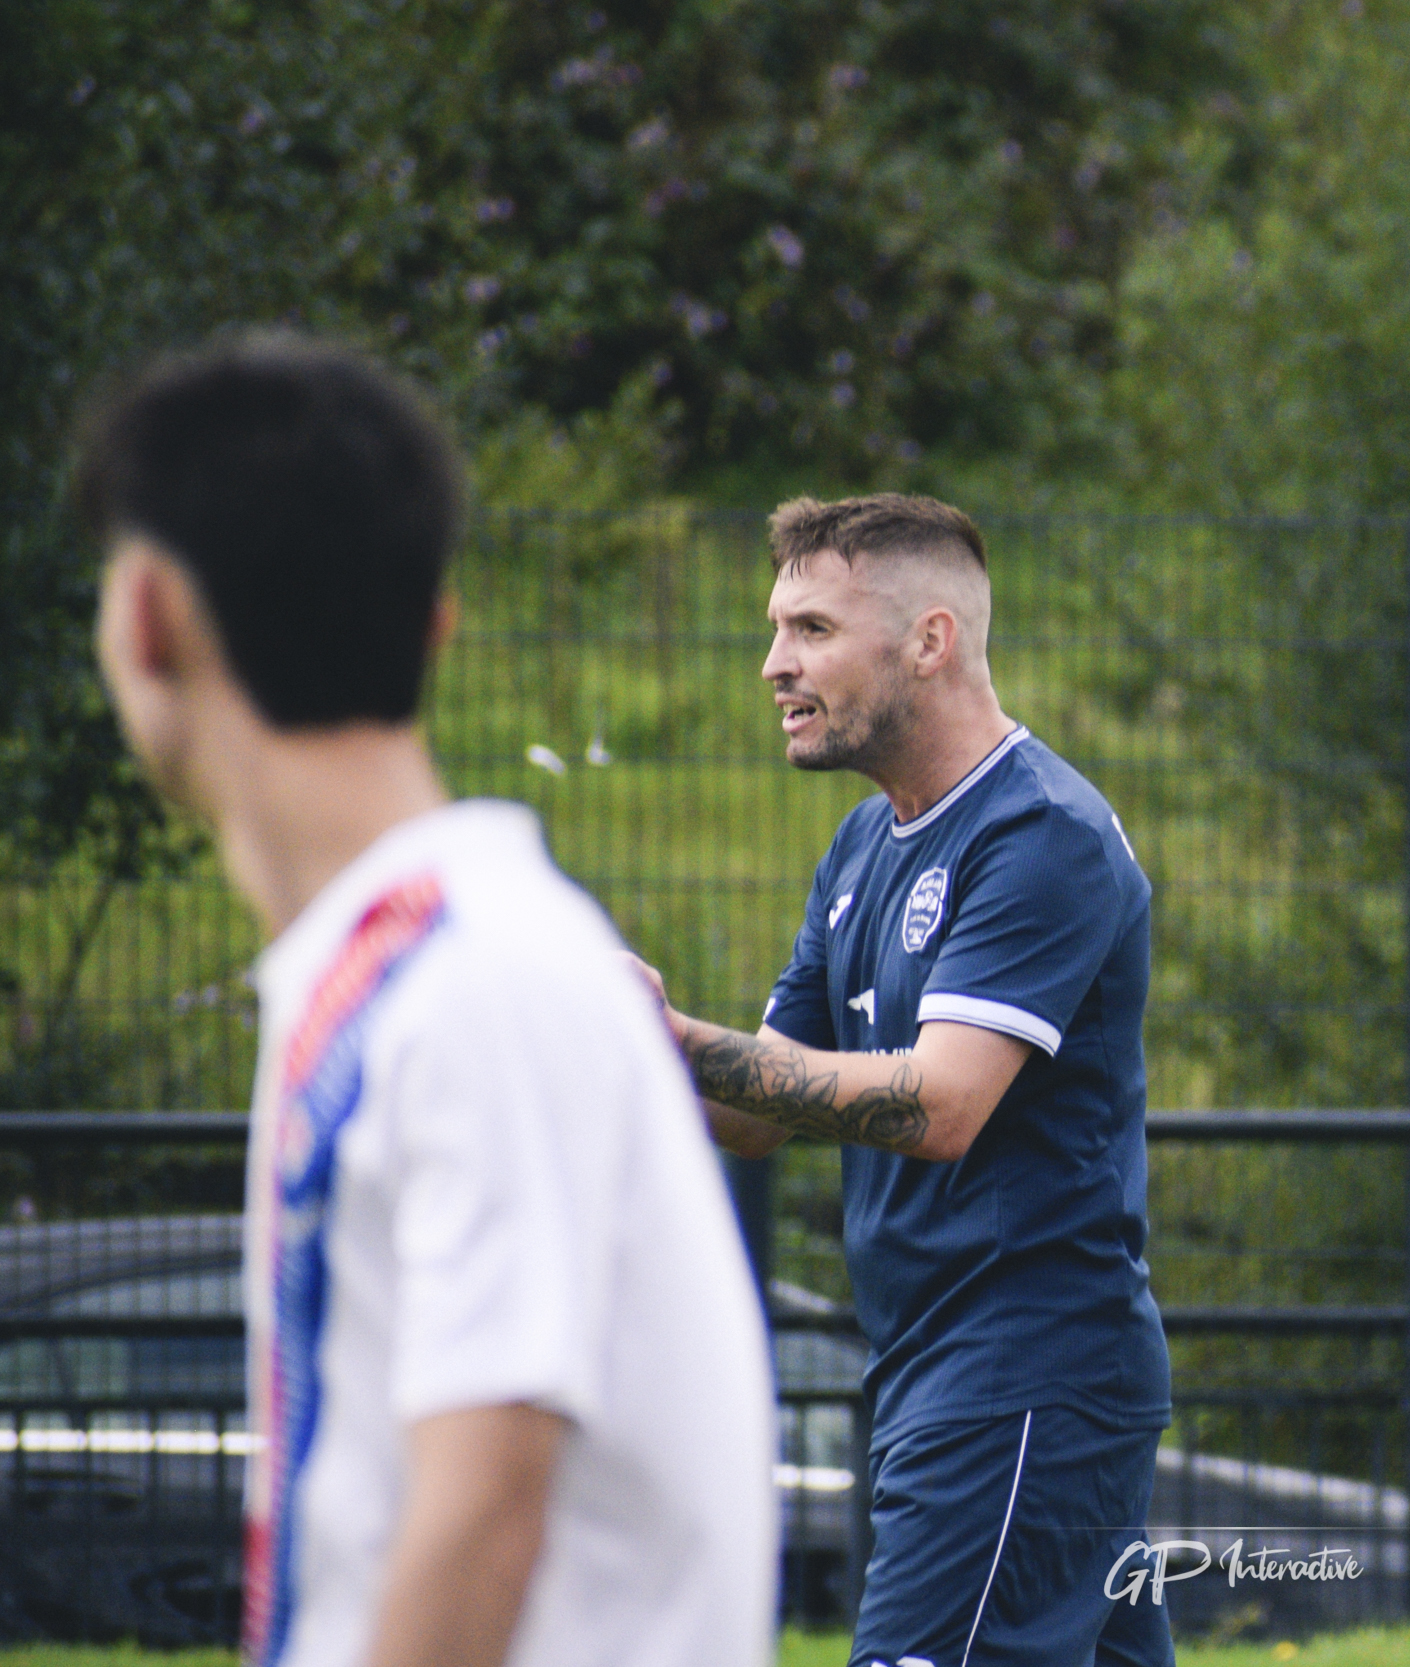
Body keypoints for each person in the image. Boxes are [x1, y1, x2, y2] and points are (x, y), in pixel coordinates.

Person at [76, 335, 778, 1667]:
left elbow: (483, 1507)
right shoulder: (406, 966)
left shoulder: (475, 979)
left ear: (151, 615)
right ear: (436, 622)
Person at [628, 493, 1173, 1667]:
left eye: (812, 629)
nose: (774, 664)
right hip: (939, 1366)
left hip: (1025, 1369)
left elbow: (938, 1104)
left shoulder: (1041, 834)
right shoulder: (864, 844)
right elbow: (751, 1110)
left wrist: (675, 1036)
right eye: (777, 630)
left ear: (928, 640)